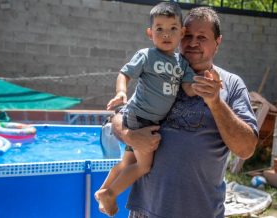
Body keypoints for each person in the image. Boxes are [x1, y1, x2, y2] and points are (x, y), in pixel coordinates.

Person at [111, 6, 259, 218]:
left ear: (217, 42)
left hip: (199, 212)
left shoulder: (232, 85)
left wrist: (215, 102)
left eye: (202, 37)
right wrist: (129, 135)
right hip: (145, 211)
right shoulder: (161, 71)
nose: (192, 43)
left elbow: (246, 149)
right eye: (187, 35)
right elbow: (117, 117)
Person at [95, 2, 196, 217]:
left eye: (172, 28)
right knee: (143, 167)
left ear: (182, 32)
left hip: (148, 120)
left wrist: (205, 86)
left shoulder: (182, 64)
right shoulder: (147, 55)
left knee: (127, 162)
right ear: (150, 33)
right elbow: (125, 73)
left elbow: (188, 88)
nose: (166, 34)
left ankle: (103, 189)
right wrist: (121, 92)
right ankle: (110, 194)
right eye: (159, 28)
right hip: (140, 117)